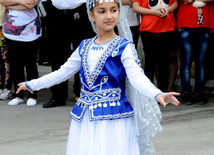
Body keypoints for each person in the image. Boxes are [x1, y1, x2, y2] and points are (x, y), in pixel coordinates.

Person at [17, 0, 180, 154]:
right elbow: (62, 73)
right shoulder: (84, 46)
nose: (109, 16)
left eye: (114, 10)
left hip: (115, 119)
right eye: (102, 11)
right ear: (92, 15)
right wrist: (32, 84)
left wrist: (156, 93)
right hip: (85, 119)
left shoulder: (124, 47)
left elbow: (136, 76)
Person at [42, 0, 94, 108]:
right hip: (57, 11)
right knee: (57, 56)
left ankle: (81, 93)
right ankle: (58, 95)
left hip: (80, 11)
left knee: (83, 54)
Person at [0, 0, 41, 106]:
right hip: (11, 30)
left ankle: (32, 95)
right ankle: (19, 95)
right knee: (15, 64)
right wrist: (21, 2)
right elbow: (3, 2)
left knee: (30, 64)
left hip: (30, 30)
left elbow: (31, 5)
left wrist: (12, 5)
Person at [133, 0, 178, 93]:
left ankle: (163, 93)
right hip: (148, 30)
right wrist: (153, 12)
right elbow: (135, 7)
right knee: (150, 63)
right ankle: (149, 94)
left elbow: (175, 3)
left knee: (164, 63)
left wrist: (168, 9)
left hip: (167, 29)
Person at [176, 0, 214, 105]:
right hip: (186, 24)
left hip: (204, 25)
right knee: (186, 61)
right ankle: (186, 93)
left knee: (201, 62)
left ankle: (199, 93)